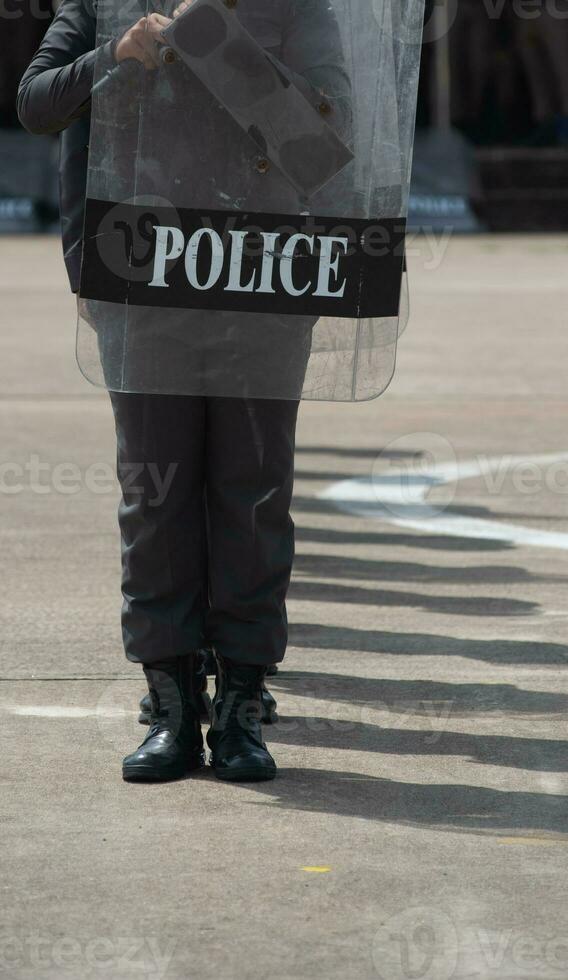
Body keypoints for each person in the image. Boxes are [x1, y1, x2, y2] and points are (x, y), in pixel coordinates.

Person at [18, 0, 350, 783]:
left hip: (263, 286)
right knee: (155, 495)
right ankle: (170, 707)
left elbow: (326, 140)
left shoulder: (298, 11)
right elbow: (36, 104)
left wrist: (221, 44)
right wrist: (114, 57)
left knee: (253, 495)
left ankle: (240, 706)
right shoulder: (105, 7)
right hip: (142, 283)